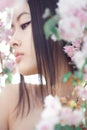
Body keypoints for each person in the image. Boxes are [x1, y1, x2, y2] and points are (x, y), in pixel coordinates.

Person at [0, 0, 74, 130]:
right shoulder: (13, 101)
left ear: (55, 23)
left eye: (24, 25)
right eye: (12, 30)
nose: (12, 41)